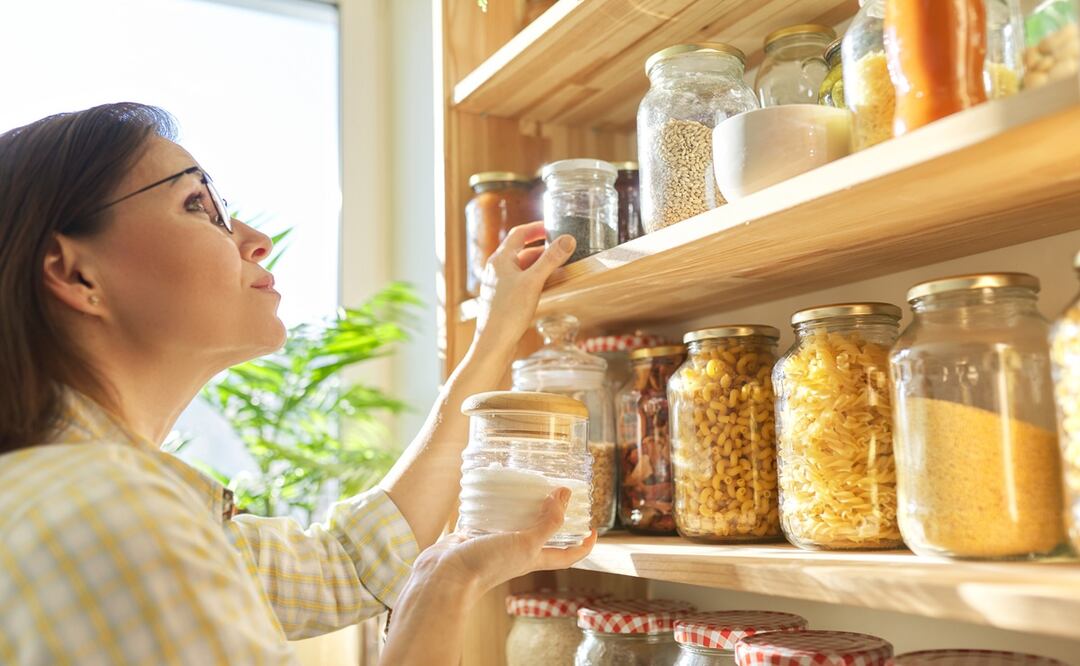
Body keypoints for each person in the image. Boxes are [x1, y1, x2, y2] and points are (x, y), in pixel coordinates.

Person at [0, 103, 595, 665]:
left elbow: (349, 564)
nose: (255, 237)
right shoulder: (110, 517)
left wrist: (496, 331)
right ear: (75, 273)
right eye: (197, 206)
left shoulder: (81, 494)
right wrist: (445, 585)